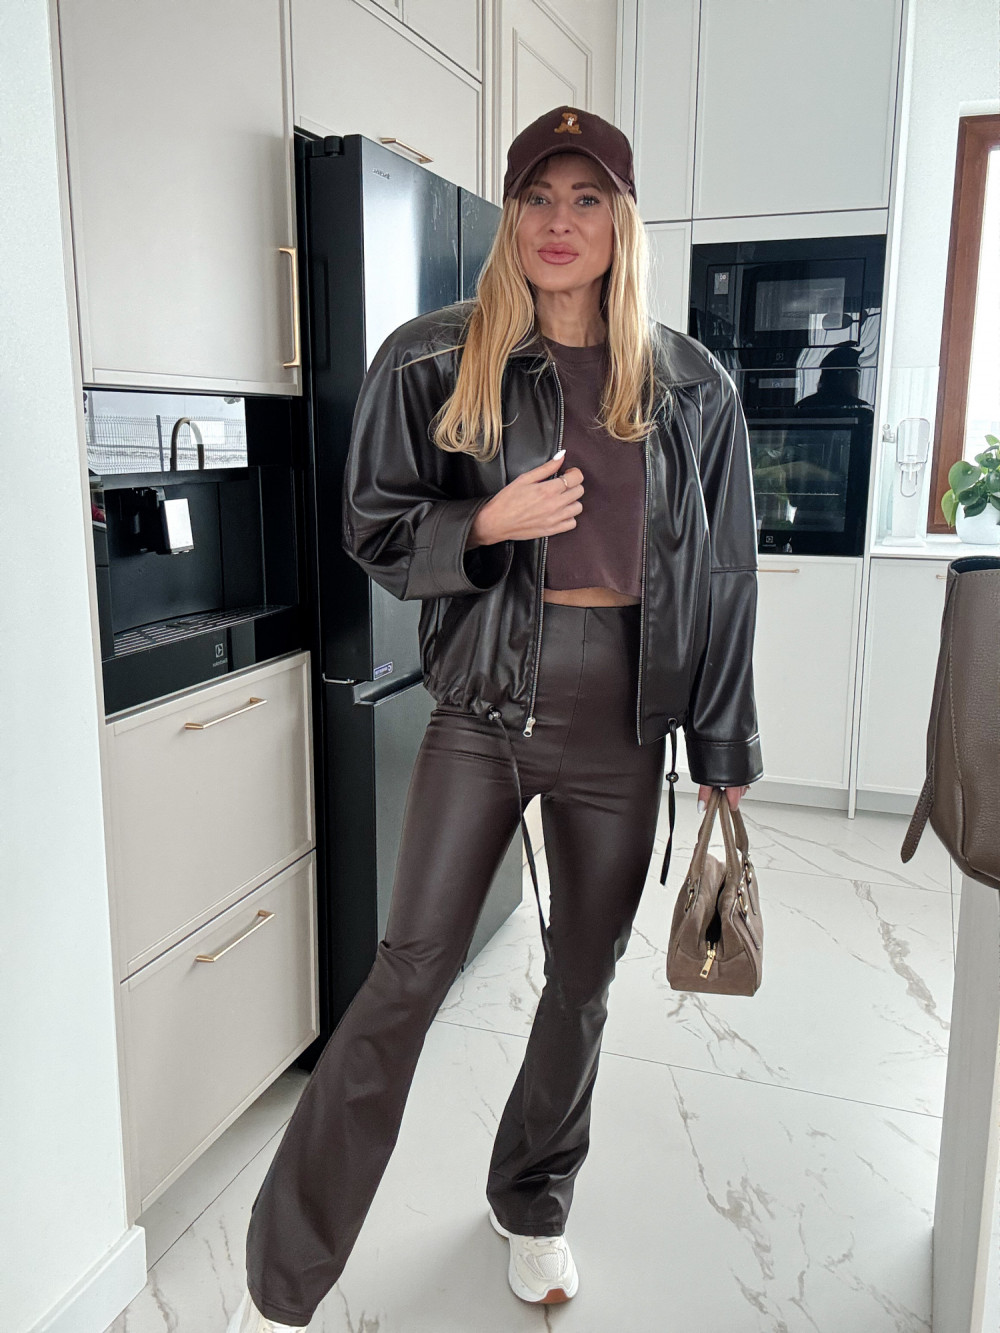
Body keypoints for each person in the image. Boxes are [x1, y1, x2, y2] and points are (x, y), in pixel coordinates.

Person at [227, 104, 762, 1333]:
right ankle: (284, 1272)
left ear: (622, 220)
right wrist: (481, 524)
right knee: (407, 971)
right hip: (480, 705)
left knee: (582, 978)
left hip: (625, 716)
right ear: (511, 215)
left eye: (586, 200)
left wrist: (722, 742)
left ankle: (533, 1202)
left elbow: (725, 571)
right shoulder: (430, 358)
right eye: (537, 198)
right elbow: (370, 525)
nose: (559, 222)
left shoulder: (692, 385)